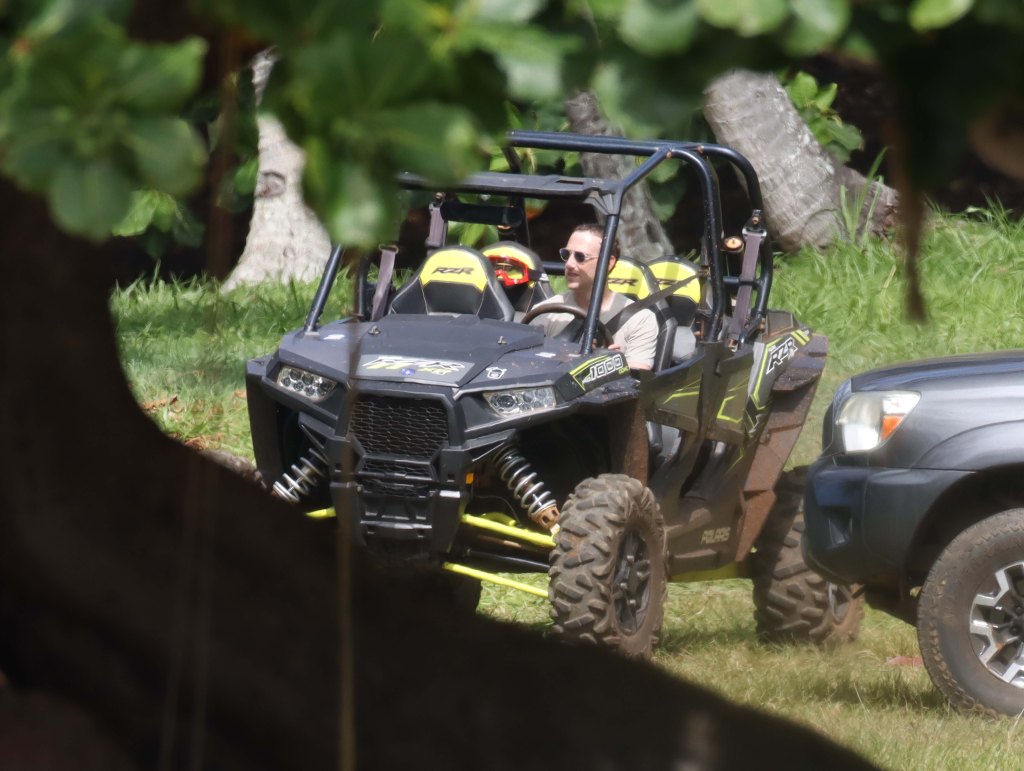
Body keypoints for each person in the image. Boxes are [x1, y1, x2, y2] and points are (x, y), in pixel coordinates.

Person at [529, 223, 658, 370]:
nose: (569, 264)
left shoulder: (640, 319)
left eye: (580, 257)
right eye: (566, 254)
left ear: (608, 263)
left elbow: (639, 379)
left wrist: (610, 364)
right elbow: (521, 365)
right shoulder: (544, 312)